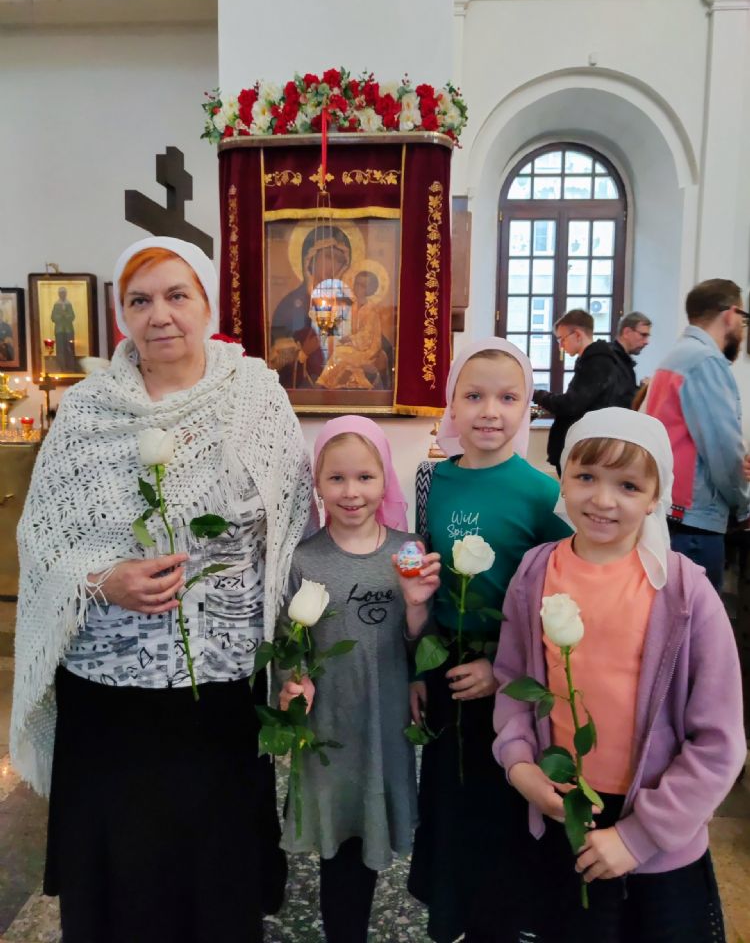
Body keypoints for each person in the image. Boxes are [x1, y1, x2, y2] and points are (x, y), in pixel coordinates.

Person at [11, 235, 313, 943]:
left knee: (215, 870)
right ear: (123, 315)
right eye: (140, 301)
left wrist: (295, 655)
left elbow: (294, 533)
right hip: (108, 692)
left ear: (207, 305)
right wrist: (102, 579)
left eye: (178, 295)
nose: (160, 315)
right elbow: (42, 541)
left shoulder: (257, 399)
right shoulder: (86, 411)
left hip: (220, 686)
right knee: (122, 874)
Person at [493, 408, 745, 943]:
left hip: (659, 836)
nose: (603, 500)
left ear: (655, 496)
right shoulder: (536, 572)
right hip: (561, 811)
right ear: (562, 477)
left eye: (628, 485)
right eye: (586, 476)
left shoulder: (685, 592)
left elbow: (719, 742)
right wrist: (521, 767)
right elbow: (513, 681)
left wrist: (638, 837)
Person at [405, 338, 571, 943]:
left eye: (507, 398)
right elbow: (421, 580)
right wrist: (417, 670)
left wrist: (502, 670)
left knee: (500, 801)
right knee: (448, 796)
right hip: (443, 665)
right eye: (473, 396)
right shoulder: (431, 480)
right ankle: (452, 911)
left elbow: (562, 596)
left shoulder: (543, 492)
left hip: (509, 674)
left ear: (527, 406)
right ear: (452, 403)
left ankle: (497, 923)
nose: (490, 412)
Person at [277, 416, 434, 943]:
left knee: (370, 828)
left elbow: (420, 645)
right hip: (328, 724)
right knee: (337, 839)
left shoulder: (408, 550)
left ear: (385, 478)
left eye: (365, 477)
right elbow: (289, 645)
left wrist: (417, 607)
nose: (351, 492)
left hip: (382, 723)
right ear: (317, 484)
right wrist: (293, 681)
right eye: (337, 478)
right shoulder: (303, 559)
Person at [646, 279, 750, 592]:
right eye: (744, 320)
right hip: (694, 520)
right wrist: (744, 507)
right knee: (698, 617)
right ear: (731, 314)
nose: (743, 330)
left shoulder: (677, 356)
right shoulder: (705, 360)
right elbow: (722, 449)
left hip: (671, 512)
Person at [533, 309, 622, 474]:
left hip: (585, 446)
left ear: (578, 335)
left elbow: (571, 405)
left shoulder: (597, 362)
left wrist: (535, 394)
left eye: (562, 339)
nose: (560, 346)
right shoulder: (591, 360)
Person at [270, 224, 352, 387]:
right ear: (310, 258)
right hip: (303, 389)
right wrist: (304, 352)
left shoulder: (345, 304)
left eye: (339, 260)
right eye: (328, 257)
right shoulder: (291, 305)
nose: (333, 266)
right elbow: (275, 364)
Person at [317, 271, 385, 389]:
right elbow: (344, 325)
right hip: (353, 346)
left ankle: (324, 384)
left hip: (368, 350)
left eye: (362, 285)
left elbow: (367, 336)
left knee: (340, 355)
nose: (358, 287)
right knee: (338, 351)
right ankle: (337, 384)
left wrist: (349, 339)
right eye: (356, 283)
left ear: (370, 289)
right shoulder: (352, 306)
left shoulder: (371, 310)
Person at [612, 310, 652, 407]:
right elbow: (619, 402)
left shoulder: (624, 361)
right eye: (643, 335)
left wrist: (642, 389)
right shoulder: (610, 360)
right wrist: (643, 391)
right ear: (626, 332)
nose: (647, 342)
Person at [51, 286, 76, 372]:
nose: (62, 295)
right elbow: (53, 317)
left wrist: (66, 316)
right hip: (59, 330)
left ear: (66, 294)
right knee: (60, 349)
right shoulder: (56, 305)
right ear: (59, 294)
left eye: (64, 293)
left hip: (68, 330)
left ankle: (70, 367)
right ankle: (61, 367)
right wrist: (60, 316)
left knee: (69, 348)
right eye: (61, 293)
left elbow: (72, 316)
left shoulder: (69, 304)